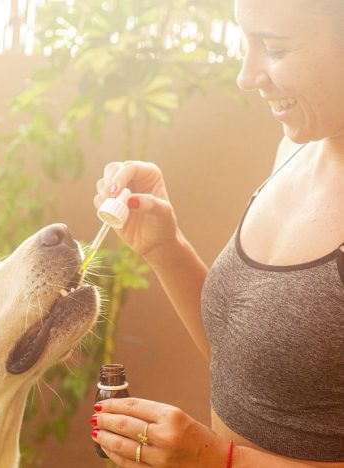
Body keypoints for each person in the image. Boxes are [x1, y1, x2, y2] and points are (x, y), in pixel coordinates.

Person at [89, 0, 344, 466]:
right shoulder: (294, 148)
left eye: (273, 47)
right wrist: (165, 247)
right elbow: (253, 367)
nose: (247, 75)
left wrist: (218, 460)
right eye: (245, 41)